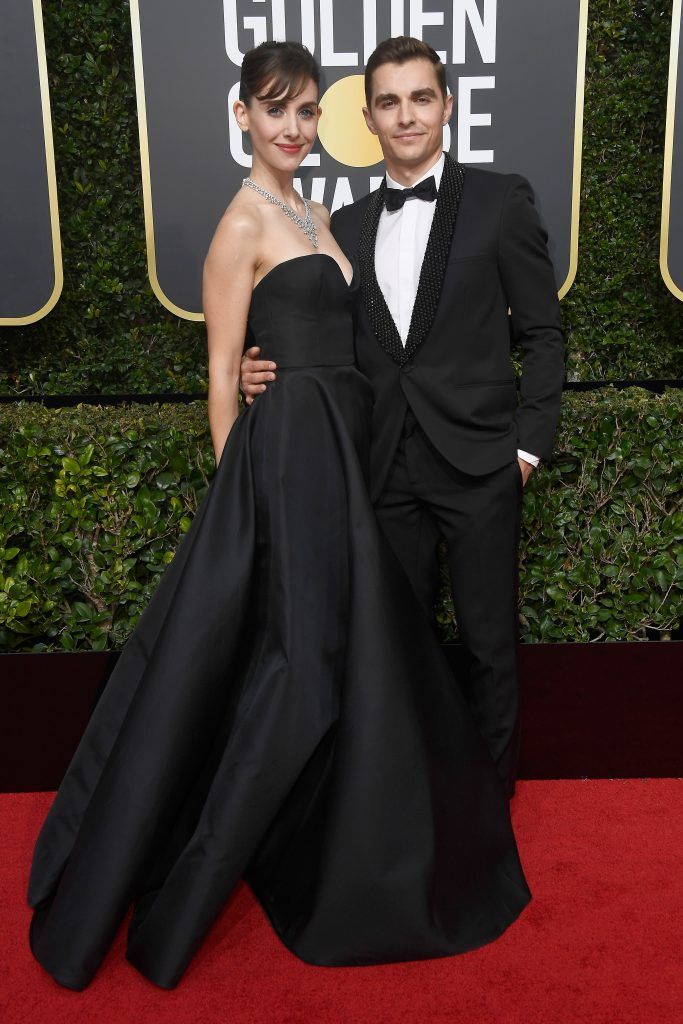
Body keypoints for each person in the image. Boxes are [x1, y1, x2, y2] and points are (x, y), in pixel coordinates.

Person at [27, 41, 530, 992]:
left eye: (305, 112)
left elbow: (342, 340)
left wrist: (288, 370)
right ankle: (188, 892)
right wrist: (242, 503)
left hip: (346, 457)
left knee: (348, 652)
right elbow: (223, 377)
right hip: (291, 466)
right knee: (300, 668)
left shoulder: (316, 211)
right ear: (241, 117)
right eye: (274, 110)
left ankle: (348, 828)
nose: (293, 127)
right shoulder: (239, 225)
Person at [242, 36, 566, 798]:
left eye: (421, 97)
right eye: (389, 101)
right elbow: (326, 341)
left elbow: (544, 334)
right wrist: (262, 370)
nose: (407, 115)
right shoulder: (344, 228)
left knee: (489, 643)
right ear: (368, 117)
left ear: (447, 105)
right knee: (399, 646)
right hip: (384, 463)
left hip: (482, 458)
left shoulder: (500, 199)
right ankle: (416, 797)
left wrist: (527, 448)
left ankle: (489, 805)